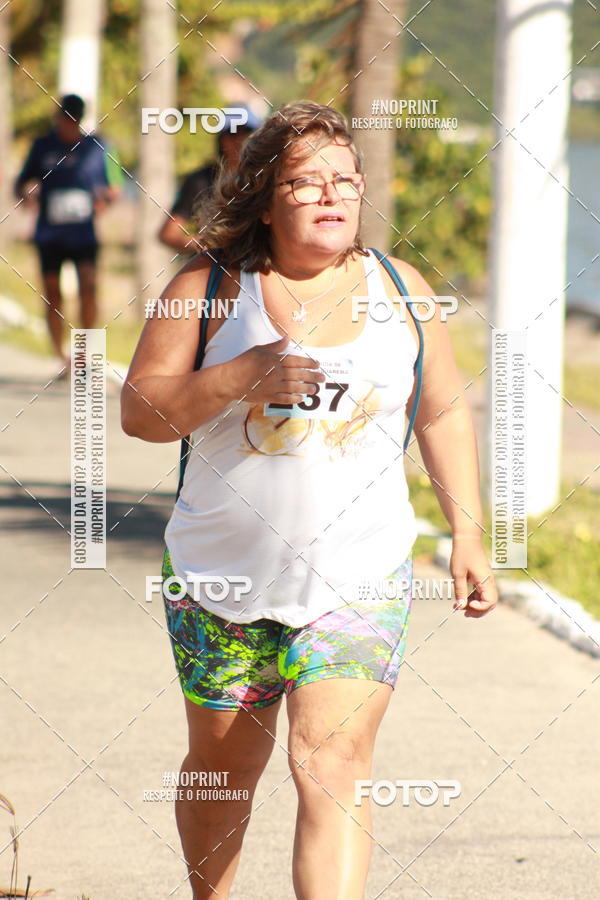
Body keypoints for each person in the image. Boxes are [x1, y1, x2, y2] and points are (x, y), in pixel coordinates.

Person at [121, 100, 497, 899]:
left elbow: (440, 410)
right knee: (225, 770)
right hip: (221, 578)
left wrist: (469, 533)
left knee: (330, 762)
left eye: (344, 180)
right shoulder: (208, 286)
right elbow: (141, 412)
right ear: (264, 196)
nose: (330, 194)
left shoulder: (402, 289)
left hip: (359, 574)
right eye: (304, 182)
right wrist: (235, 377)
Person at [15, 94, 122, 373]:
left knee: (88, 288)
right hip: (50, 235)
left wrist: (105, 202)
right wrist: (27, 196)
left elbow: (117, 183)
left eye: (74, 120)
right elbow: (22, 182)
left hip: (83, 236)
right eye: (64, 118)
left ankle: (85, 352)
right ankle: (60, 356)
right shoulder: (42, 146)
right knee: (54, 294)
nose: (68, 124)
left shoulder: (98, 147)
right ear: (57, 118)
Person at [158, 105, 262, 255]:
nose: (240, 140)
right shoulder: (200, 180)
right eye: (233, 133)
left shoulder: (264, 178)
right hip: (212, 272)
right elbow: (168, 233)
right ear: (221, 139)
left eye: (247, 133)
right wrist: (208, 246)